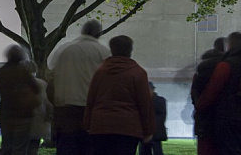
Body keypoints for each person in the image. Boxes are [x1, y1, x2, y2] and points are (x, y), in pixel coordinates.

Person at [194, 32, 241, 155]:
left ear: (229, 44)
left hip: (231, 118)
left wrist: (199, 106)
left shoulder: (227, 64)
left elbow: (212, 91)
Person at [83, 35, 156, 155]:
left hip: (101, 125)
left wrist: (88, 123)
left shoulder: (100, 72)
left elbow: (91, 99)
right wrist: (148, 130)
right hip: (128, 128)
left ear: (112, 50)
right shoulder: (138, 73)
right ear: (130, 50)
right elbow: (144, 104)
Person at [47, 20, 110, 155]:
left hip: (65, 109)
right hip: (92, 109)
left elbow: (50, 78)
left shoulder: (64, 49)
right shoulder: (103, 52)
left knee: (66, 147)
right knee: (89, 147)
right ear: (99, 34)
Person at [0, 45, 41, 155]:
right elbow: (36, 88)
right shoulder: (22, 71)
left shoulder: (1, 72)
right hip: (22, 114)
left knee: (6, 145)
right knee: (20, 147)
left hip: (5, 113)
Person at [190, 37, 225, 155]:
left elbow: (194, 94)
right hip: (223, 118)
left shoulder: (200, 71)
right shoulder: (227, 67)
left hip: (203, 118)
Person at [25, 61, 52, 155]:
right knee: (33, 149)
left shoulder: (16, 85)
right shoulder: (42, 84)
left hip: (21, 123)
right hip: (37, 122)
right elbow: (48, 104)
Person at [138, 82, 167, 155]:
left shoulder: (159, 101)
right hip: (147, 131)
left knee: (156, 150)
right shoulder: (159, 100)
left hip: (154, 132)